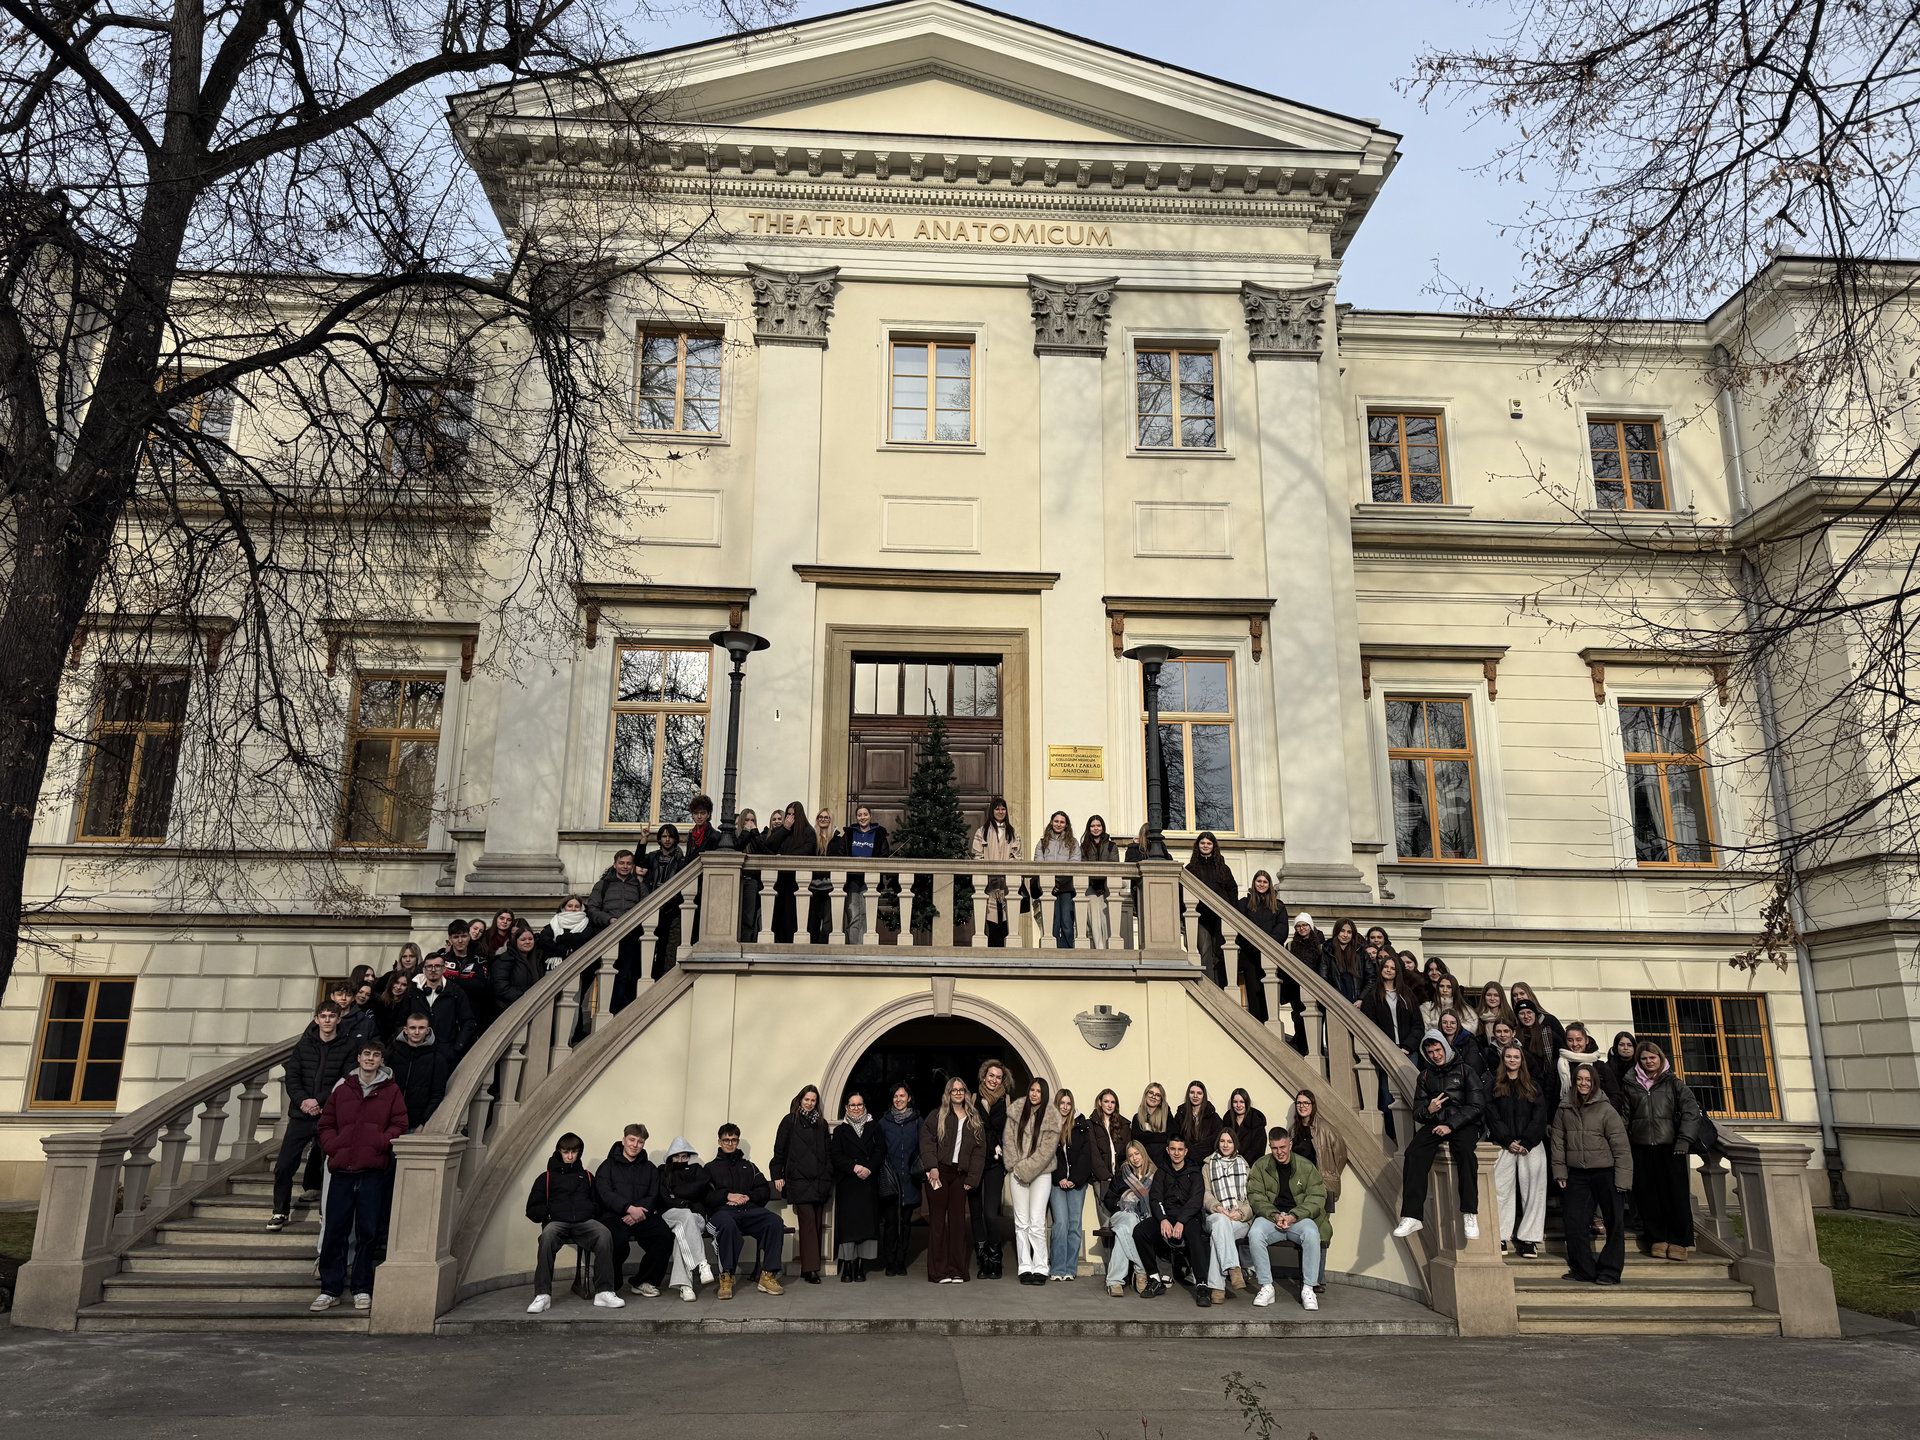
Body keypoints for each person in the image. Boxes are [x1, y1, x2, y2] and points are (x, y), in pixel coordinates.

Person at [309, 1037, 408, 1311]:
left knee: (368, 1232)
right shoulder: (343, 1089)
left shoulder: (391, 1091)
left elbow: (400, 1123)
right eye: (366, 1054)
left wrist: (380, 1142)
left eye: (375, 1055)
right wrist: (333, 1145)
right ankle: (330, 1288)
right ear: (359, 1058)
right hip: (342, 1169)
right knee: (335, 1231)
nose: (370, 1059)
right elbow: (326, 1122)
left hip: (372, 1170)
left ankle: (362, 1287)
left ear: (381, 1061)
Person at [1392, 1029, 1487, 1240]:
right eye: (1430, 1051)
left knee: (1465, 1153)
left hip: (1464, 1122)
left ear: (1445, 1047)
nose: (1435, 1054)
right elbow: (1418, 1112)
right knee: (1414, 1153)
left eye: (1438, 1049)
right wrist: (1430, 1110)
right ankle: (1412, 1216)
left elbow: (1476, 1105)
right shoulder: (1425, 1075)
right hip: (1437, 1121)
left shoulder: (1465, 1071)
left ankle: (1470, 1212)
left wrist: (1451, 1125)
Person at [269, 1001, 355, 1231]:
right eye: (323, 1016)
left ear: (338, 1019)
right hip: (301, 1114)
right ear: (316, 1019)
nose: (327, 1020)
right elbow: (293, 1077)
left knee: (330, 1167)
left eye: (331, 1016)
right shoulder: (304, 1045)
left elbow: (345, 1080)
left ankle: (325, 1212)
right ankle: (280, 1211)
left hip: (329, 1116)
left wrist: (320, 1101)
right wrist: (304, 1101)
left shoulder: (348, 1046)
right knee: (284, 1165)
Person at [525, 1133, 623, 1313]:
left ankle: (604, 1291)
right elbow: (531, 1210)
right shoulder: (545, 1178)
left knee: (604, 1233)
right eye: (566, 1152)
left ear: (579, 1152)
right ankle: (542, 1295)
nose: (570, 1156)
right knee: (546, 1237)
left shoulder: (586, 1176)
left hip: (584, 1222)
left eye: (574, 1152)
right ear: (559, 1152)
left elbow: (598, 1204)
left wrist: (590, 1211)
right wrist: (549, 1212)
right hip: (557, 1223)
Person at [1554, 1062, 1634, 1284]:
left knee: (1614, 1222)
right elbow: (1558, 1143)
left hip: (1605, 1173)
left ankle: (1610, 1270)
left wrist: (1623, 1180)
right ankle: (1583, 1269)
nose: (1583, 1083)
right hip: (1577, 1175)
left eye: (1588, 1080)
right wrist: (1560, 1172)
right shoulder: (1564, 1108)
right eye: (1579, 1079)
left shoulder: (1606, 1109)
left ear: (1595, 1083)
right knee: (1574, 1222)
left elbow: (1620, 1146)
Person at [1623, 1039, 1702, 1261]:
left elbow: (1690, 1111)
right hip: (1641, 1147)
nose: (1648, 1062)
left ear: (1660, 1058)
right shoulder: (1630, 1084)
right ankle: (1657, 1238)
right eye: (1644, 1058)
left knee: (1675, 1196)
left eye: (1652, 1058)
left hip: (1671, 1148)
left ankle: (1679, 1241)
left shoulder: (1674, 1083)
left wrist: (1684, 1139)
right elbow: (1625, 1115)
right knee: (1648, 1196)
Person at [1247, 1127, 1330, 1311]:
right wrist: (1274, 1214)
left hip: (1298, 1218)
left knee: (1311, 1232)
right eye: (1275, 1148)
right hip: (1271, 1218)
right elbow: (1255, 1196)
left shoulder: (1306, 1166)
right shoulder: (1261, 1166)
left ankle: (1308, 1288)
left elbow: (1317, 1197)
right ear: (1270, 1146)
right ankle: (1266, 1286)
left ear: (1290, 1144)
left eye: (1283, 1147)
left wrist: (1294, 1216)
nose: (1279, 1152)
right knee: (1255, 1233)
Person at [703, 1123, 786, 1297]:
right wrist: (727, 1196)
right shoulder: (710, 1168)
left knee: (774, 1222)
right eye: (726, 1140)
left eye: (734, 1140)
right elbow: (705, 1198)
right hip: (722, 1214)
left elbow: (763, 1190)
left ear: (738, 1141)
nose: (730, 1143)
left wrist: (747, 1197)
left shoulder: (749, 1166)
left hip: (747, 1211)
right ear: (719, 1142)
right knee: (727, 1225)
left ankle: (767, 1275)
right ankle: (726, 1277)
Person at [1488, 1042, 1552, 1259]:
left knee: (1534, 1191)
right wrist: (1506, 1139)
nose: (1512, 1060)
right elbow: (1492, 1116)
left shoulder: (1533, 1085)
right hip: (1504, 1144)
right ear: (1503, 1059)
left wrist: (1527, 1140)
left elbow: (1540, 1115)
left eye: (1516, 1057)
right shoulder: (1495, 1085)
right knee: (1500, 1191)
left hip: (1530, 1145)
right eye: (1509, 1057)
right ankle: (1501, 1236)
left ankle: (1530, 1239)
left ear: (1522, 1060)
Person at [596, 1123, 675, 1296]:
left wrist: (639, 1211)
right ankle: (611, 1285)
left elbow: (653, 1195)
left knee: (664, 1235)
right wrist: (628, 1208)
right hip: (614, 1216)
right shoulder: (607, 1166)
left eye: (640, 1142)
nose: (635, 1145)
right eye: (632, 1140)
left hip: (642, 1215)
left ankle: (644, 1281)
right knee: (617, 1241)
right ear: (623, 1140)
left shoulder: (650, 1169)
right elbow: (604, 1193)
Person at [919, 1077, 985, 1283]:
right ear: (947, 1093)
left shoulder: (974, 1118)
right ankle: (938, 1272)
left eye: (961, 1090)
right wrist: (932, 1167)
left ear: (966, 1092)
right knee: (938, 1222)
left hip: (960, 1175)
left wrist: (973, 1178)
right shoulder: (936, 1116)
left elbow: (979, 1151)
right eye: (953, 1090)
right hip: (939, 1172)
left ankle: (958, 1270)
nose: (957, 1093)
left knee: (958, 1223)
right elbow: (926, 1141)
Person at [1003, 1075, 1064, 1284]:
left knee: (1037, 1222)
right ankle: (1024, 1266)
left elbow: (1047, 1151)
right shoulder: (1017, 1111)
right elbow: (1008, 1142)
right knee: (1021, 1222)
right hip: (1017, 1174)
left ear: (1044, 1094)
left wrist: (1026, 1169)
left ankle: (1040, 1267)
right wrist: (1016, 1168)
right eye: (1032, 1090)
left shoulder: (1051, 1117)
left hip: (1041, 1174)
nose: (1034, 1094)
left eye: (1038, 1091)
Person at [771, 1084, 833, 1283]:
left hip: (819, 1181)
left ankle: (809, 1267)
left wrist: (828, 1173)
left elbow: (828, 1152)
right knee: (807, 1225)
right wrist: (777, 1175)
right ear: (800, 1100)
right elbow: (779, 1151)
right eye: (807, 1099)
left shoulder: (821, 1124)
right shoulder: (790, 1121)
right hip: (798, 1181)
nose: (810, 1103)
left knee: (815, 1224)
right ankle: (811, 1269)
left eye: (813, 1100)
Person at [830, 1092, 888, 1281]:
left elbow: (881, 1150)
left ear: (864, 1106)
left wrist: (869, 1168)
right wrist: (853, 1167)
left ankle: (862, 1265)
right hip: (848, 1183)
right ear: (846, 1108)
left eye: (859, 1105)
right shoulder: (840, 1131)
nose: (856, 1108)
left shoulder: (875, 1127)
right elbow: (836, 1155)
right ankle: (848, 1266)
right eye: (852, 1105)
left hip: (867, 1183)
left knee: (867, 1225)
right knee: (848, 1227)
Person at [1103, 1139, 1166, 1297]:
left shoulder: (1155, 1174)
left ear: (1143, 1154)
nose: (1134, 1158)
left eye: (1137, 1153)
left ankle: (1114, 1281)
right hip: (1121, 1214)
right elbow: (1109, 1199)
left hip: (1145, 1217)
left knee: (1124, 1231)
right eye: (1130, 1155)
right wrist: (1121, 1205)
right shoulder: (1122, 1175)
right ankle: (1142, 1270)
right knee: (1129, 1220)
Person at [1152, 1134, 1211, 1303]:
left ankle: (1201, 1285)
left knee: (1195, 1236)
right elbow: (1155, 1198)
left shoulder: (1194, 1172)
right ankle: (1153, 1277)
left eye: (1180, 1150)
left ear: (1185, 1151)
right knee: (1141, 1231)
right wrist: (1163, 1219)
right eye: (1173, 1149)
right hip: (1167, 1217)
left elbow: (1195, 1200)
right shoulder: (1161, 1172)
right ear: (1167, 1150)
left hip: (1188, 1218)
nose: (1176, 1153)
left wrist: (1181, 1221)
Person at [587, 848, 647, 1013]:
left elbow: (646, 909)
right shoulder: (603, 885)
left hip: (630, 937)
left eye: (628, 863)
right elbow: (592, 909)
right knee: (605, 975)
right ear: (615, 864)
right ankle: (603, 1011)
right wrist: (608, 920)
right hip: (607, 935)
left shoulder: (639, 886)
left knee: (625, 976)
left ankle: (617, 1013)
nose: (625, 866)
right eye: (621, 863)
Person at [657, 1137, 715, 1301]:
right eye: (676, 1156)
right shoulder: (663, 1171)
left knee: (680, 1235)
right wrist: (685, 1200)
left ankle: (685, 1286)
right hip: (670, 1214)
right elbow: (663, 1197)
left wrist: (678, 1194)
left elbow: (700, 1189)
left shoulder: (697, 1170)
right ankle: (702, 1264)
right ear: (670, 1157)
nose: (680, 1160)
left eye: (684, 1157)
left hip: (695, 1215)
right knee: (684, 1217)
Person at [1200, 1128, 1253, 1304]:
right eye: (1222, 1141)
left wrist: (1241, 1212)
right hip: (1215, 1214)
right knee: (1221, 1222)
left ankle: (1216, 1287)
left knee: (1218, 1236)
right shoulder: (1208, 1164)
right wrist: (1217, 1207)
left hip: (1239, 1219)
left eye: (1229, 1142)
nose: (1225, 1145)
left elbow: (1252, 1197)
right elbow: (1206, 1194)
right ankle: (1233, 1267)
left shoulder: (1244, 1165)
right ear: (1218, 1143)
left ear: (1235, 1144)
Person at [970, 1058, 1012, 1278]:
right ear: (983, 1076)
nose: (994, 1080)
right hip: (976, 1162)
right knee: (975, 1212)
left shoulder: (1006, 1101)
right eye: (991, 1075)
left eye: (998, 1077)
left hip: (996, 1162)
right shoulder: (973, 1098)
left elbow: (1010, 1130)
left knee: (991, 1214)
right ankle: (982, 1260)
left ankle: (995, 1258)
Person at [877, 1084, 922, 1276]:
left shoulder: (918, 1121)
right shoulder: (884, 1122)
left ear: (909, 1098)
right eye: (896, 1096)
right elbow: (879, 1149)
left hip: (909, 1180)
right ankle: (890, 1260)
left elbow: (923, 1147)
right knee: (890, 1223)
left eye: (902, 1096)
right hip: (890, 1180)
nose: (899, 1099)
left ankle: (901, 1260)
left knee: (905, 1222)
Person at [831, 804, 890, 945]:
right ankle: (853, 947)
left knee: (866, 915)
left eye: (865, 814)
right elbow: (841, 854)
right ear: (856, 818)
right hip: (852, 881)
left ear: (870, 816)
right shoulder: (849, 834)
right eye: (859, 815)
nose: (862, 817)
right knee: (853, 915)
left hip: (870, 881)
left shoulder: (879, 834)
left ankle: (863, 947)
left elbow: (884, 855)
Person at [1184, 831, 1237, 986]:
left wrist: (1232, 912)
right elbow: (1184, 892)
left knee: (1220, 952)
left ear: (1214, 846)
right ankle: (1208, 986)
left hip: (1221, 917)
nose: (1205, 846)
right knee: (1205, 950)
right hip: (1200, 917)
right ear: (1198, 845)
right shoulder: (1191, 868)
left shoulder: (1223, 868)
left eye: (1208, 843)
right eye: (1202, 843)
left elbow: (1232, 890)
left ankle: (1220, 986)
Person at [1048, 1087, 1090, 1279]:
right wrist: (1060, 1178)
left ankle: (1070, 1269)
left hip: (1077, 1183)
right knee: (1061, 1224)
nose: (1065, 1107)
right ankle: (1057, 1268)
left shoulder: (1081, 1124)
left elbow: (1085, 1155)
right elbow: (1049, 1155)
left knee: (1074, 1224)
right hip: (1057, 1182)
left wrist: (1073, 1179)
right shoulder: (1049, 1125)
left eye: (1068, 1103)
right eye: (1062, 1103)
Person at [1288, 1088, 1348, 1215]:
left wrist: (1330, 1174)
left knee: (1321, 1226)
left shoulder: (1326, 1129)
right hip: (1299, 1187)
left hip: (1320, 1186)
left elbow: (1341, 1155)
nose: (1302, 1106)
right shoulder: (1293, 1130)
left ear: (1312, 1105)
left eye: (1306, 1103)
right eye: (1299, 1103)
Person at [969, 797, 1020, 947]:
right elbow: (977, 855)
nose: (1000, 812)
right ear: (992, 811)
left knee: (1006, 924)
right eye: (997, 809)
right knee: (991, 924)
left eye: (1003, 809)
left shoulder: (1012, 832)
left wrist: (1012, 861)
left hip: (1006, 887)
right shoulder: (982, 832)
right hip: (989, 887)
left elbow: (1018, 855)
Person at [386, 1010, 448, 1132]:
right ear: (405, 1030)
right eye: (413, 1028)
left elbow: (437, 1094)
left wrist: (423, 1122)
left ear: (428, 1030)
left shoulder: (437, 1059)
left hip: (415, 1124)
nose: (417, 1032)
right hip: (388, 1121)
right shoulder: (392, 1053)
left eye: (421, 1028)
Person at [408, 954, 477, 1062]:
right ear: (424, 970)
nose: (433, 970)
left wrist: (457, 1048)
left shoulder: (456, 992)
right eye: (429, 966)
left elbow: (468, 1022)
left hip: (445, 1056)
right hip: (415, 1052)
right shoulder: (412, 993)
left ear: (444, 968)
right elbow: (401, 1020)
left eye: (437, 966)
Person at [1237, 871, 1285, 1024]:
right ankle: (1258, 1025)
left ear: (1269, 885)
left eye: (1265, 882)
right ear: (1254, 883)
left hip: (1270, 955)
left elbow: (1282, 928)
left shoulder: (1278, 906)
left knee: (1269, 993)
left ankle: (1270, 1024)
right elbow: (1240, 927)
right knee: (1253, 992)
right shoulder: (1244, 904)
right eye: (1259, 881)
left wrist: (1268, 945)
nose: (1262, 884)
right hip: (1250, 956)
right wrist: (1254, 946)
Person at [645, 823, 692, 977]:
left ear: (675, 839)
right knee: (651, 947)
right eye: (664, 836)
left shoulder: (681, 861)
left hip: (672, 909)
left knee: (669, 949)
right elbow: (638, 860)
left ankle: (664, 977)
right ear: (659, 838)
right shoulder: (653, 857)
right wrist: (643, 839)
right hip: (652, 907)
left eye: (670, 836)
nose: (667, 840)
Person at [431, 920, 494, 1033]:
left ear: (469, 937)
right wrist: (465, 982)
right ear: (450, 939)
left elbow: (479, 987)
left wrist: (450, 977)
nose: (460, 941)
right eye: (456, 937)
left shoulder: (479, 962)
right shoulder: (440, 959)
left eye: (464, 936)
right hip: (442, 1018)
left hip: (470, 1019)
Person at [768, 800, 817, 944]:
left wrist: (785, 856)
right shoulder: (783, 830)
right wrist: (785, 829)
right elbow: (770, 846)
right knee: (779, 914)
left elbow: (808, 851)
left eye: (793, 815)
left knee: (794, 914)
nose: (790, 818)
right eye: (788, 814)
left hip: (798, 881)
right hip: (781, 880)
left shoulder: (808, 832)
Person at [1087, 1088, 1132, 1238]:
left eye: (1113, 1102)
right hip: (1102, 1179)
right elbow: (1093, 1153)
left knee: (1122, 1220)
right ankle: (1109, 1261)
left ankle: (1123, 1260)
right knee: (1106, 1224)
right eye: (1106, 1101)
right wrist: (1105, 1176)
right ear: (1100, 1103)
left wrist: (1120, 1176)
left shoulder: (1123, 1125)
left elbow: (1128, 1152)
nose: (1109, 1105)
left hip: (1121, 1178)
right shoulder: (1091, 1124)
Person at [1034, 810, 1078, 948]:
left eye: (1062, 822)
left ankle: (1067, 951)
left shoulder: (1073, 842)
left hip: (1066, 887)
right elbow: (1038, 864)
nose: (1059, 824)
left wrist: (1058, 882)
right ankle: (1051, 950)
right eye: (1056, 821)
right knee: (1051, 921)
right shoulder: (1042, 843)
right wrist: (1049, 883)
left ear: (1066, 825)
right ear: (1051, 822)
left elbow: (1075, 863)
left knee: (1066, 922)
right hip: (1048, 888)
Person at [1558, 1022, 1623, 1111]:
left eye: (1579, 1040)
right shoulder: (1559, 1065)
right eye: (1570, 1040)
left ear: (1587, 1040)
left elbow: (1615, 1096)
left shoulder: (1600, 1067)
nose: (1574, 1044)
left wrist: (1602, 1114)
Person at [1513, 998, 1563, 1112]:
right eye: (1522, 1013)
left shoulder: (1548, 1034)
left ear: (1535, 1014)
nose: (1526, 1016)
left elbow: (1561, 1055)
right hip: (1521, 1085)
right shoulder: (1514, 1037)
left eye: (1529, 1012)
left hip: (1546, 1085)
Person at [1079, 815, 1119, 948]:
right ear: (1089, 828)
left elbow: (1114, 865)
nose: (1096, 828)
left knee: (1106, 918)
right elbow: (1083, 866)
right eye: (1093, 826)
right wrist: (1093, 883)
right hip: (1091, 886)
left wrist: (1102, 883)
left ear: (1103, 827)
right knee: (1094, 919)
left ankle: (1109, 947)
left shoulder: (1111, 846)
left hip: (1107, 887)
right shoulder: (1083, 846)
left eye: (1098, 825)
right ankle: (1098, 947)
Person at [490, 925, 544, 1013]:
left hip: (532, 1007)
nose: (527, 942)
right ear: (516, 941)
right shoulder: (505, 958)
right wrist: (523, 997)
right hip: (510, 1008)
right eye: (523, 940)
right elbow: (500, 985)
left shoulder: (537, 959)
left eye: (530, 939)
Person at [1508, 981, 1567, 1056]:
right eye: (1515, 995)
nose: (1518, 997)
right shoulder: (1512, 1022)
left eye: (1522, 993)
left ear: (1529, 994)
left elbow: (1563, 1045)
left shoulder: (1549, 1019)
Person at [1173, 1079, 1224, 1156]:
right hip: (1186, 1158)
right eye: (1192, 1092)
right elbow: (1176, 1137)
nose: (1195, 1096)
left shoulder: (1213, 1116)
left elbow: (1217, 1137)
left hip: (1207, 1158)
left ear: (1204, 1095)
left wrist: (1199, 1149)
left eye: (1199, 1093)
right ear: (1188, 1094)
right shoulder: (1180, 1115)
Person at [539, 896, 594, 967]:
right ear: (563, 908)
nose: (573, 909)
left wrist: (559, 939)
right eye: (570, 906)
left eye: (577, 906)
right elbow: (545, 942)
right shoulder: (554, 923)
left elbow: (583, 938)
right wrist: (566, 950)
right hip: (554, 966)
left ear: (582, 908)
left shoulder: (587, 924)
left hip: (579, 965)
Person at [736, 809, 764, 941]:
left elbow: (763, 852)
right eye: (746, 820)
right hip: (737, 880)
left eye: (752, 820)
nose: (750, 823)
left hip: (752, 881)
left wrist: (754, 833)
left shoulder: (754, 836)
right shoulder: (735, 835)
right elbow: (737, 847)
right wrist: (746, 832)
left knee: (749, 917)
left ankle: (747, 941)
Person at [1132, 1081, 1172, 1169]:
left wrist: (1146, 1136)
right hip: (1144, 1162)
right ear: (1145, 1095)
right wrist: (1160, 1136)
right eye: (1151, 1093)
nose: (1153, 1097)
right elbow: (1137, 1140)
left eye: (1158, 1095)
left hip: (1163, 1162)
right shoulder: (1137, 1118)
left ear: (1161, 1100)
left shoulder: (1167, 1116)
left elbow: (1170, 1137)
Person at [370, 970, 416, 1042]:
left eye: (403, 985)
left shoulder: (408, 1004)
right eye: (396, 982)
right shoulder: (380, 1001)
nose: (398, 987)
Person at [1606, 1030, 1639, 1113]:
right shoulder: (1607, 1067)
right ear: (1616, 1047)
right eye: (1621, 1045)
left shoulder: (1641, 1067)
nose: (1626, 1048)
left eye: (1629, 1045)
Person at [1476, 981, 1515, 1045]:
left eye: (1496, 995)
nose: (1492, 998)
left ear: (1501, 997)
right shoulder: (1477, 1015)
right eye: (1489, 995)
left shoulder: (1509, 1015)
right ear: (1484, 997)